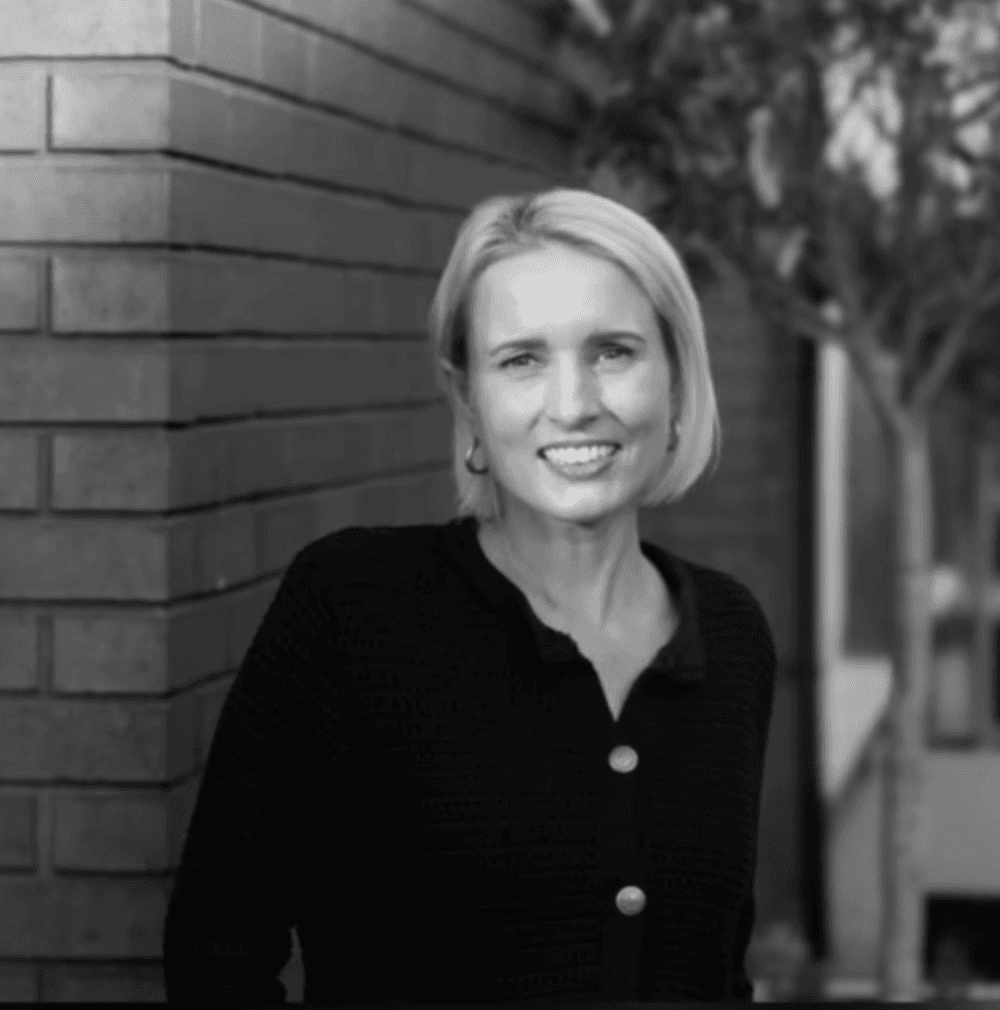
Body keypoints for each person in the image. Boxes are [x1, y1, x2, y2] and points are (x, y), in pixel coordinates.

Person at [162, 187, 777, 1003]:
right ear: (467, 399)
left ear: (675, 377)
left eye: (613, 351)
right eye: (522, 359)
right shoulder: (353, 611)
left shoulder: (731, 636)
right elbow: (218, 951)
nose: (573, 404)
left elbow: (712, 964)